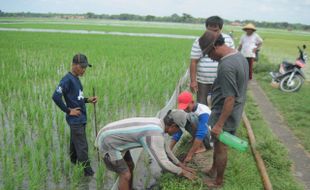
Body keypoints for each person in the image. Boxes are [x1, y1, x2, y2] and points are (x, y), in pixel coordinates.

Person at [95, 110, 196, 190]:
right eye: (179, 129)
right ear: (173, 126)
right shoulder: (154, 134)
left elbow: (166, 150)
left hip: (115, 138)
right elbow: (163, 163)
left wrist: (181, 166)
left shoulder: (158, 124)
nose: (178, 132)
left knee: (130, 166)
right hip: (109, 142)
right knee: (125, 174)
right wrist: (183, 173)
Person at [199, 30, 249, 187]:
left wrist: (220, 124)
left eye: (208, 53)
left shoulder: (226, 65)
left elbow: (229, 98)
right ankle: (213, 169)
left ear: (215, 46)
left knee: (221, 147)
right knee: (217, 141)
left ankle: (218, 181)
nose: (209, 57)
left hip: (226, 113)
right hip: (227, 109)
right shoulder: (238, 56)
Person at [52, 53, 96, 176]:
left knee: (74, 143)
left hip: (79, 119)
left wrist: (88, 100)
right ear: (74, 65)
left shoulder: (76, 79)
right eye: (82, 67)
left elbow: (77, 98)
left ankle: (73, 164)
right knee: (82, 147)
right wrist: (68, 110)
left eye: (85, 67)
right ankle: (89, 174)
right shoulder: (67, 79)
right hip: (75, 119)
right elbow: (56, 96)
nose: (84, 70)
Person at [190, 16, 235, 106]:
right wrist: (193, 81)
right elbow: (193, 62)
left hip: (222, 80)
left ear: (220, 29)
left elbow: (232, 59)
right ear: (206, 28)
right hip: (203, 81)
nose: (213, 34)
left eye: (215, 31)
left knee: (219, 105)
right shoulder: (200, 41)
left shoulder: (228, 40)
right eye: (209, 30)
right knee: (202, 106)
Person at [170, 91, 212, 163]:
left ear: (192, 102)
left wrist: (189, 155)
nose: (185, 109)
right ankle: (198, 143)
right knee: (185, 117)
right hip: (203, 133)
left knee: (191, 118)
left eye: (186, 107)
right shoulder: (190, 111)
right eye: (183, 107)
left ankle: (203, 146)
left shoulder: (203, 112)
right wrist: (169, 150)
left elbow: (201, 134)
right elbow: (179, 129)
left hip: (210, 139)